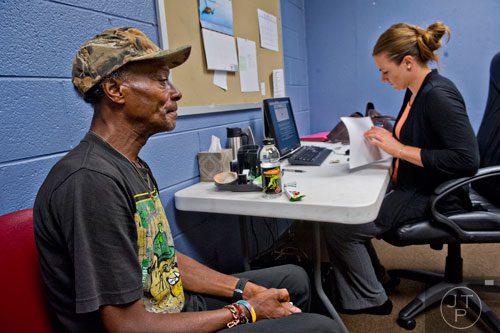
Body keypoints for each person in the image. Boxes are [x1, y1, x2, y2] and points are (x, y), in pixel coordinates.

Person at [34, 27, 336, 333]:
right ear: (115, 90)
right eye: (161, 80)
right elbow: (128, 326)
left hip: (173, 305)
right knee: (322, 328)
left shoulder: (129, 163)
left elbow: (161, 256)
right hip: (145, 326)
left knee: (293, 280)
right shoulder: (91, 181)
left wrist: (248, 292)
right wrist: (245, 310)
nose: (175, 92)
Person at [322, 22, 479, 315]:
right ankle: (375, 280)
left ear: (408, 62)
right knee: (346, 210)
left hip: (434, 193)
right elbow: (417, 137)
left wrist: (398, 149)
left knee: (341, 226)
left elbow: (466, 160)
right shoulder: (414, 90)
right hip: (414, 181)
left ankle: (371, 298)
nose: (382, 79)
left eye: (385, 70)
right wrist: (387, 140)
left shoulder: (437, 95)